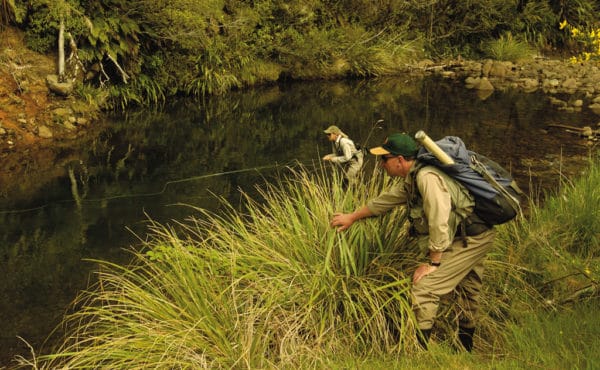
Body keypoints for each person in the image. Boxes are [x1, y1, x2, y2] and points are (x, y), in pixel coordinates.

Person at [329, 132, 496, 352]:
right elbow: (383, 202)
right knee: (467, 290)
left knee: (425, 287)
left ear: (400, 160)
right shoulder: (412, 178)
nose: (380, 165)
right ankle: (465, 350)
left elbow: (439, 217)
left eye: (384, 159)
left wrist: (433, 262)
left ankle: (418, 355)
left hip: (470, 238)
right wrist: (352, 217)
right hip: (475, 234)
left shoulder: (426, 177)